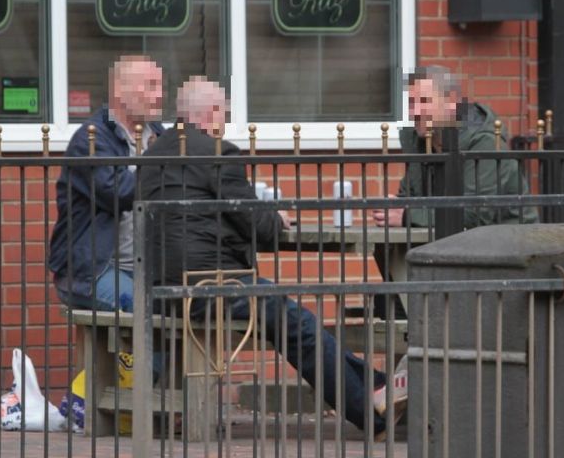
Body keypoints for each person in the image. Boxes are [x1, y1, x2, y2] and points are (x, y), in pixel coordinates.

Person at [139, 76, 407, 438]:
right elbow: (259, 226)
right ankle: (373, 410)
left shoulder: (152, 155)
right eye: (224, 114)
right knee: (301, 325)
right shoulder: (219, 153)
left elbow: (202, 216)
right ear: (212, 113)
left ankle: (378, 389)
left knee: (292, 320)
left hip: (160, 290)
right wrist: (275, 216)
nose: (225, 123)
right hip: (211, 287)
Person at [48, 55, 165, 311]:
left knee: (187, 306)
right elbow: (119, 193)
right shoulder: (90, 140)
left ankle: (145, 354)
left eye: (160, 86)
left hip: (148, 267)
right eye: (150, 85)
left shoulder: (158, 134)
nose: (160, 94)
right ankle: (136, 354)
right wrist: (164, 168)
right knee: (146, 312)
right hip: (93, 271)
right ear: (119, 91)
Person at [372, 65, 539, 229]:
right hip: (455, 245)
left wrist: (408, 216)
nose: (414, 111)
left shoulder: (484, 142)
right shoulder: (419, 141)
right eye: (411, 103)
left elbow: (476, 215)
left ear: (452, 102)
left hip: (510, 243)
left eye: (424, 101)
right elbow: (409, 196)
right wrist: (391, 209)